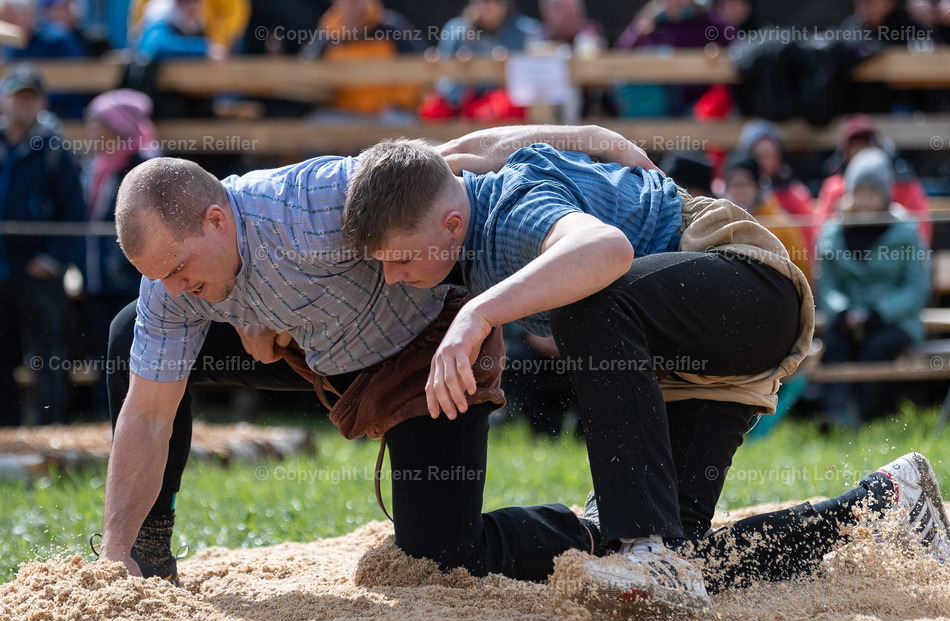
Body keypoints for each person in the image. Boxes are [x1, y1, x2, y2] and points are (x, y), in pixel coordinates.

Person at [342, 139, 950, 615]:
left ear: (451, 225)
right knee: (680, 565)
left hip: (747, 285)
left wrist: (477, 313)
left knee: (590, 298)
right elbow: (488, 143)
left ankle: (647, 547)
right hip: (683, 357)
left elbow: (605, 251)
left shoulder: (510, 212)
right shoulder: (460, 182)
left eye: (399, 260)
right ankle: (885, 505)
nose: (393, 277)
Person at [94, 124, 658, 589]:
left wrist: (594, 139)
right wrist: (114, 554)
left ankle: (589, 528)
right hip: (316, 349)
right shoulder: (171, 287)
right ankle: (147, 549)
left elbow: (450, 158)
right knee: (131, 332)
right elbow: (148, 414)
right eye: (156, 275)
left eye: (177, 269)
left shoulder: (313, 200)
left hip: (422, 353)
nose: (170, 288)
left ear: (216, 221)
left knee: (440, 561)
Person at [815, 148, 931, 429]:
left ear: (885, 195)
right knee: (834, 345)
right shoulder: (832, 233)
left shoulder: (906, 232)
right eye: (859, 192)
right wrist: (842, 311)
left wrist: (879, 313)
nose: (864, 201)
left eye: (872, 193)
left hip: (894, 319)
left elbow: (916, 289)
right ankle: (836, 413)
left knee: (876, 348)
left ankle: (868, 418)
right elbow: (827, 284)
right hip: (848, 318)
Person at [0, 65, 86, 425]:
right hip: (2, 266)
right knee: (3, 353)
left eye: (30, 97)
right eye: (17, 96)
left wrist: (51, 259)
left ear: (41, 102)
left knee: (46, 353)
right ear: (5, 99)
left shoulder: (55, 148)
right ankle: (6, 427)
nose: (23, 103)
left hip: (37, 269)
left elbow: (74, 210)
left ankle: (49, 426)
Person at [78, 89, 159, 420]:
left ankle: (137, 419)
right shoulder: (96, 165)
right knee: (104, 351)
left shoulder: (145, 168)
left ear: (118, 128)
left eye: (99, 124)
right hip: (97, 280)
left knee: (134, 350)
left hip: (131, 280)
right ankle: (105, 416)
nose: (93, 132)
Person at [814, 114, 933, 247]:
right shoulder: (834, 188)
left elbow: (920, 237)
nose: (860, 155)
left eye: (864, 146)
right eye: (853, 148)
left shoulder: (903, 184)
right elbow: (822, 239)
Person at [300, 0, 426, 121]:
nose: (353, 3)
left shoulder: (390, 26)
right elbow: (308, 69)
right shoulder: (328, 32)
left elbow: (417, 67)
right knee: (315, 123)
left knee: (399, 123)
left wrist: (397, 103)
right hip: (345, 113)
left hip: (387, 112)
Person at [421, 0, 540, 121]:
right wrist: (464, 72)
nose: (487, 6)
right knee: (434, 110)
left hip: (501, 106)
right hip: (461, 105)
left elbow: (536, 78)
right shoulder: (455, 31)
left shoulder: (527, 32)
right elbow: (443, 83)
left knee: (507, 108)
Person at [614, 0, 730, 117]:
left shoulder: (706, 19)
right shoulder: (649, 20)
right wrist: (639, 33)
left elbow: (735, 45)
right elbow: (622, 53)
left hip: (698, 102)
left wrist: (716, 52)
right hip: (659, 104)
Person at [721, 154, 812, 286]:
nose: (740, 190)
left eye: (746, 183)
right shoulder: (720, 223)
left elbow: (802, 275)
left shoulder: (781, 224)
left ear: (758, 187)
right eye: (734, 184)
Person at [736, 119, 815, 248]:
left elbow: (807, 244)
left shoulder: (796, 196)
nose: (763, 162)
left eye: (769, 155)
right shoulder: (730, 193)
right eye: (757, 155)